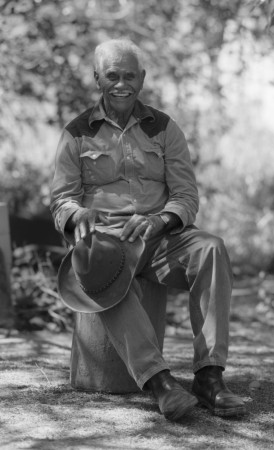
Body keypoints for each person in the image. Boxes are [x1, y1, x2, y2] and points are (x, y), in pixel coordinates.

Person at [50, 38, 246, 421]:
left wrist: (161, 220)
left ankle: (209, 376)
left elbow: (186, 195)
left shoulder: (165, 127)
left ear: (142, 78)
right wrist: (76, 215)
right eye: (112, 75)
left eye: (129, 75)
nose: (121, 83)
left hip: (160, 239)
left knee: (211, 247)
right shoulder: (75, 133)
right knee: (99, 277)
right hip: (105, 244)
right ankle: (160, 383)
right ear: (97, 79)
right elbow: (61, 199)